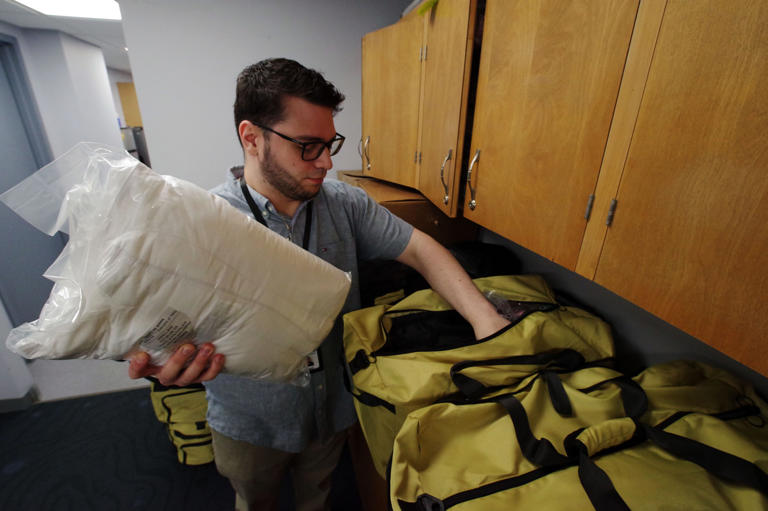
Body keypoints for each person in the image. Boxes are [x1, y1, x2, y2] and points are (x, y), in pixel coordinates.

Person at [128, 58, 510, 511]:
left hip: (333, 409)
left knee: (319, 497)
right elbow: (154, 327)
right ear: (251, 138)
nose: (327, 162)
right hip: (250, 421)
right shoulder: (204, 223)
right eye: (309, 146)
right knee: (256, 502)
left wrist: (485, 318)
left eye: (331, 144)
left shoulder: (344, 205)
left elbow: (421, 249)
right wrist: (160, 359)